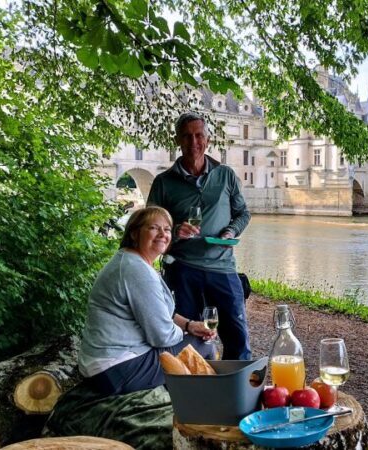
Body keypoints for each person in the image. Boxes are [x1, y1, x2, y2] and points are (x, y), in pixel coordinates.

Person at [78, 206, 216, 396]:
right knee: (202, 344)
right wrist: (186, 332)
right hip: (116, 369)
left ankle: (185, 395)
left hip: (103, 365)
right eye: (153, 228)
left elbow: (158, 312)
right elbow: (161, 337)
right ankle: (207, 402)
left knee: (192, 342)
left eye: (167, 229)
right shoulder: (136, 270)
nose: (163, 234)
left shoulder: (130, 260)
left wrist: (189, 325)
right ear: (134, 233)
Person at [148, 111, 252, 360]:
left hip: (222, 267)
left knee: (237, 339)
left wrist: (231, 231)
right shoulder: (164, 182)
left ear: (207, 139)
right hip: (183, 269)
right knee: (186, 340)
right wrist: (174, 231)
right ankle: (192, 383)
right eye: (186, 136)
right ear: (177, 140)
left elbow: (243, 213)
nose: (193, 142)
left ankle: (237, 383)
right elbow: (150, 227)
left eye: (198, 135)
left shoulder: (225, 175)